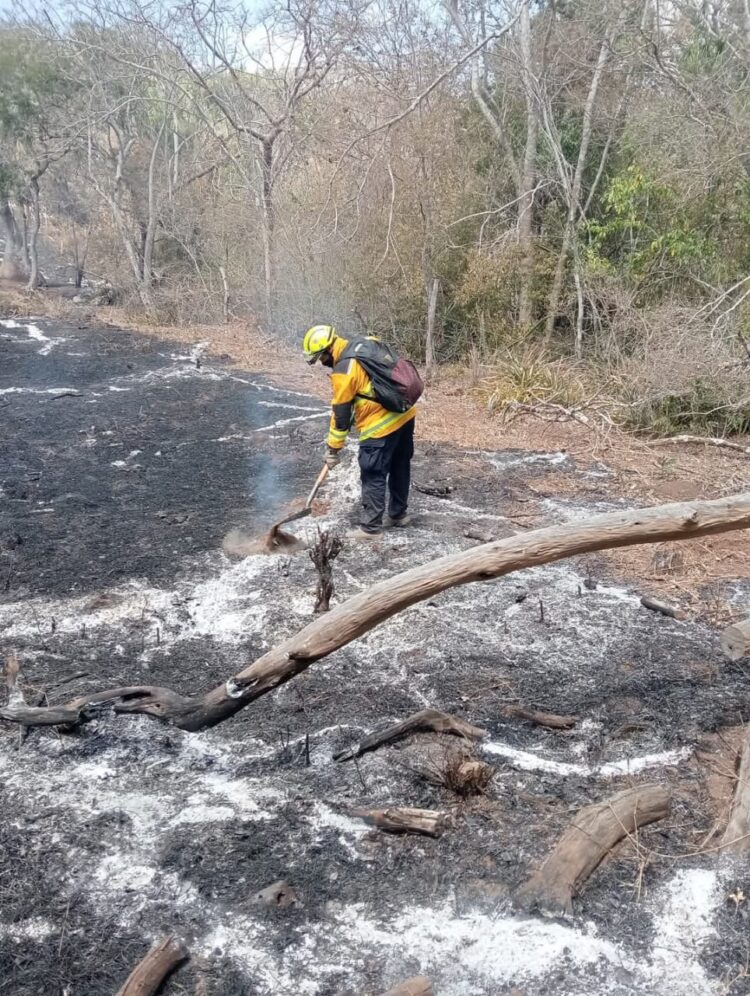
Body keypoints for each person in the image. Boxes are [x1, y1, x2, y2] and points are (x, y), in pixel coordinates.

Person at [303, 323, 416, 538]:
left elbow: (341, 416)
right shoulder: (365, 343)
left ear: (328, 351)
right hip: (405, 413)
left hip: (379, 425)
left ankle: (371, 528)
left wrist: (333, 449)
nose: (322, 363)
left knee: (373, 471)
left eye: (320, 358)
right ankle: (398, 515)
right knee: (400, 465)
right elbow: (368, 386)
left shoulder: (343, 370)